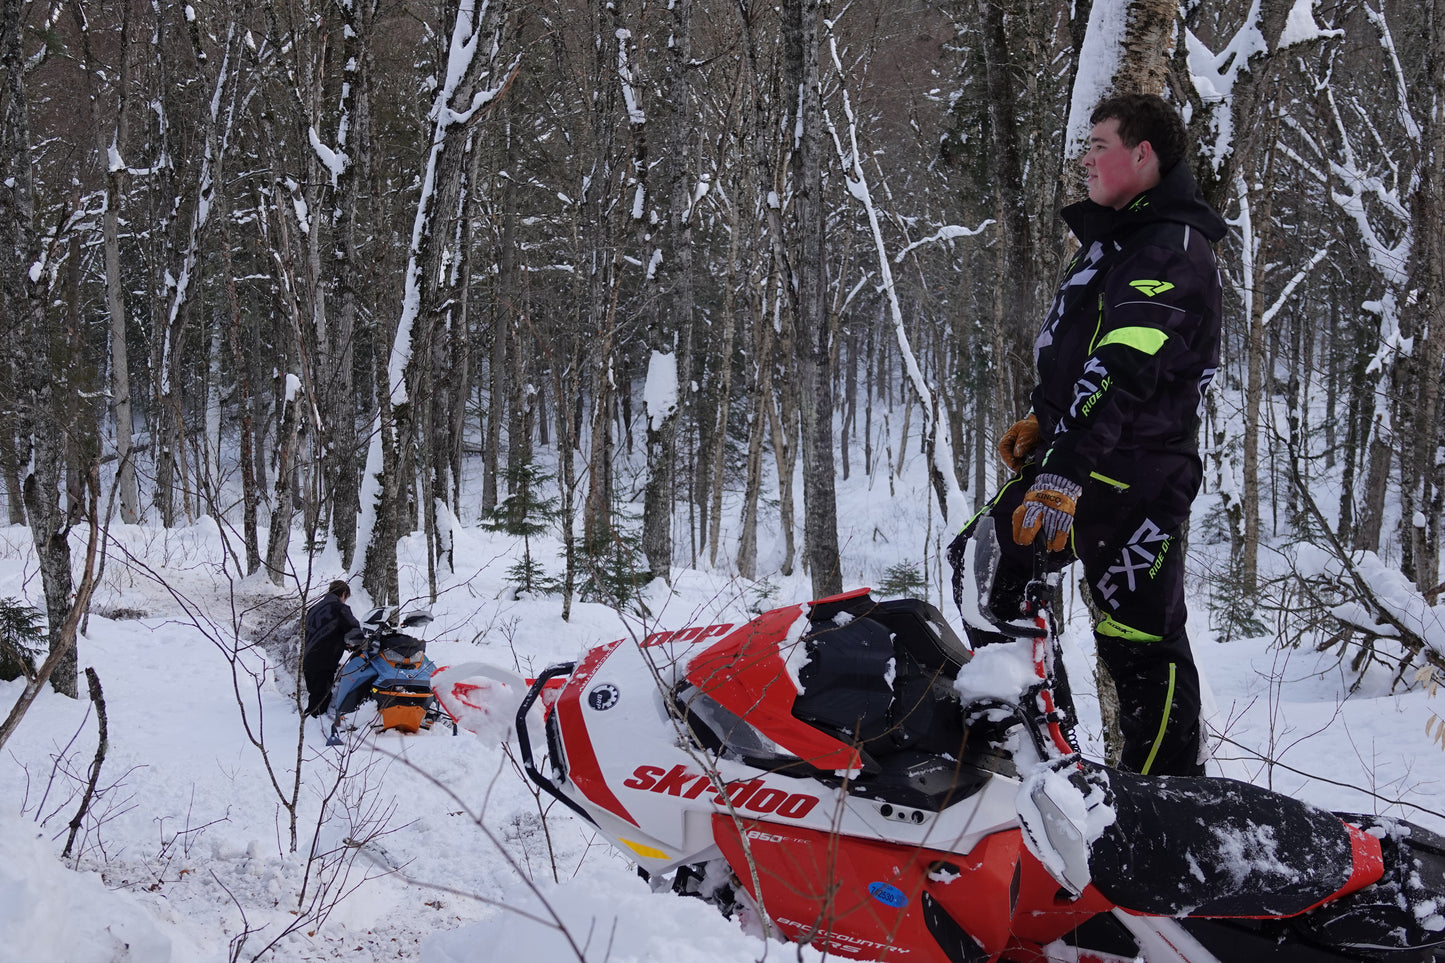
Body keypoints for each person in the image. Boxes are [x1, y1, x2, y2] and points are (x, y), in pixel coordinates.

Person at [949, 93, 1225, 778]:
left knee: (997, 569)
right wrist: (1048, 421)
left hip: (1122, 469)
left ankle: (1081, 779)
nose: (1084, 158)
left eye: (1097, 144)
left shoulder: (1168, 245)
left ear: (1142, 155)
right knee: (1127, 635)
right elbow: (1092, 357)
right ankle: (1105, 783)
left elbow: (1125, 362)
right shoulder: (1125, 241)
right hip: (1110, 457)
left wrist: (1063, 467)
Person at [302, 580, 360, 717]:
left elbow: (325, 631)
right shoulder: (340, 608)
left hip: (308, 658)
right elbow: (354, 630)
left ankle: (307, 721)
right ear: (344, 594)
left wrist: (342, 642)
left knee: (314, 695)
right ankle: (313, 727)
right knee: (321, 700)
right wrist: (360, 645)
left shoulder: (313, 609)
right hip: (325, 660)